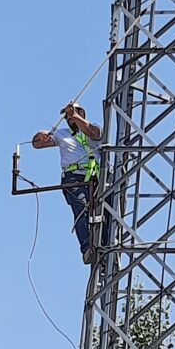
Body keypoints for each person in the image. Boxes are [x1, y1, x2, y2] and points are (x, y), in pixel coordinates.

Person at [32, 103, 102, 264]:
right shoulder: (61, 134)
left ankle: (104, 246)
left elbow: (93, 132)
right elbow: (37, 144)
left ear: (82, 113)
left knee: (102, 213)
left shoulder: (95, 127)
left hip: (96, 177)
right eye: (68, 116)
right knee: (81, 210)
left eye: (75, 113)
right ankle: (88, 249)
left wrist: (75, 116)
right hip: (73, 178)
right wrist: (40, 136)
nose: (70, 118)